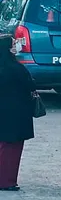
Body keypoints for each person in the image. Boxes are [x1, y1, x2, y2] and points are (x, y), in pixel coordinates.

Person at [0, 35, 35, 191]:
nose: (16, 46)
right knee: (11, 150)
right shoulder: (17, 69)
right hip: (15, 116)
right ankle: (7, 181)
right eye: (13, 44)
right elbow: (30, 86)